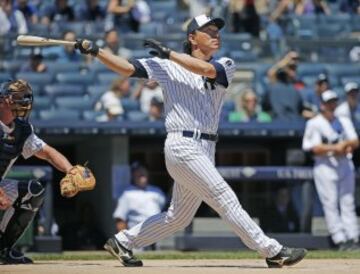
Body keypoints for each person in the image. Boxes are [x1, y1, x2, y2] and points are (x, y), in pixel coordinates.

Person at [74, 14, 307, 268]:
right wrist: (96, 51)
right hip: (182, 144)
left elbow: (206, 70)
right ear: (192, 37)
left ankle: (122, 242)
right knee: (223, 197)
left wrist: (170, 54)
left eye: (217, 30)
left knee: (178, 217)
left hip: (206, 147)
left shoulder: (225, 64)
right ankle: (272, 250)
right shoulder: (166, 66)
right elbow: (126, 68)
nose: (216, 35)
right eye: (208, 31)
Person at [0, 79, 75, 264]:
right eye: (16, 97)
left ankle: (3, 249)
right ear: (2, 100)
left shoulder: (22, 130)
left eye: (24, 97)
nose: (23, 102)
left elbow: (48, 153)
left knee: (34, 191)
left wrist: (70, 170)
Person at [302, 90, 360, 251]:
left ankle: (353, 237)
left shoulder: (343, 120)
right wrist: (336, 147)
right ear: (322, 104)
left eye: (334, 101)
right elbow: (312, 148)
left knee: (348, 203)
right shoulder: (314, 123)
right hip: (325, 166)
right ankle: (340, 239)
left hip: (344, 165)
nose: (332, 105)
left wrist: (344, 146)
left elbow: (355, 140)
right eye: (329, 102)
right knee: (330, 203)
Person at [113, 163, 166, 235]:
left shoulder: (156, 191)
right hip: (138, 236)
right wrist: (123, 239)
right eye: (138, 172)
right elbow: (120, 218)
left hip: (157, 234)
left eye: (143, 171)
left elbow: (164, 208)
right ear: (133, 175)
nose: (141, 173)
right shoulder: (127, 194)